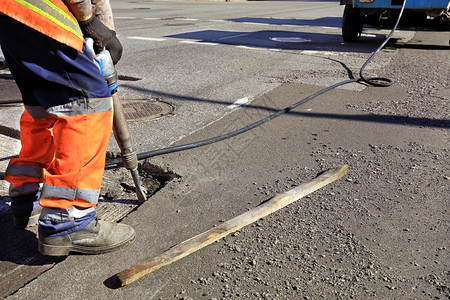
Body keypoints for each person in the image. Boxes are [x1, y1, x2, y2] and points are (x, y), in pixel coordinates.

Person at [0, 0, 135, 256]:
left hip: (10, 9)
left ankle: (26, 195)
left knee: (44, 104)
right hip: (41, 9)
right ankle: (68, 219)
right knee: (87, 102)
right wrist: (89, 21)